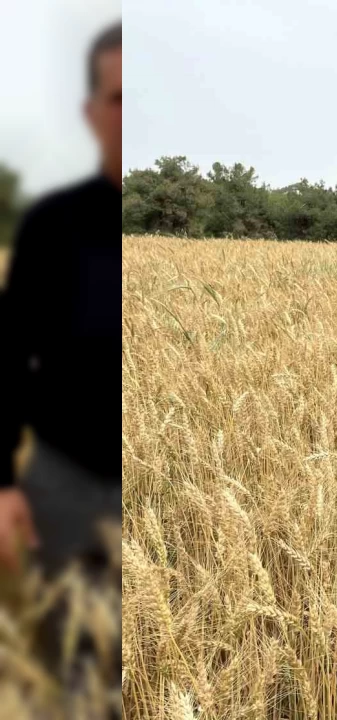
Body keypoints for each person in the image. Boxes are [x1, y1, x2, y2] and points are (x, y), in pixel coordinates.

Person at [0, 21, 121, 589]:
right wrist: (2, 483)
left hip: (173, 494)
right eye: (119, 99)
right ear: (91, 112)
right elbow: (7, 356)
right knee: (63, 638)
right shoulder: (51, 225)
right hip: (63, 484)